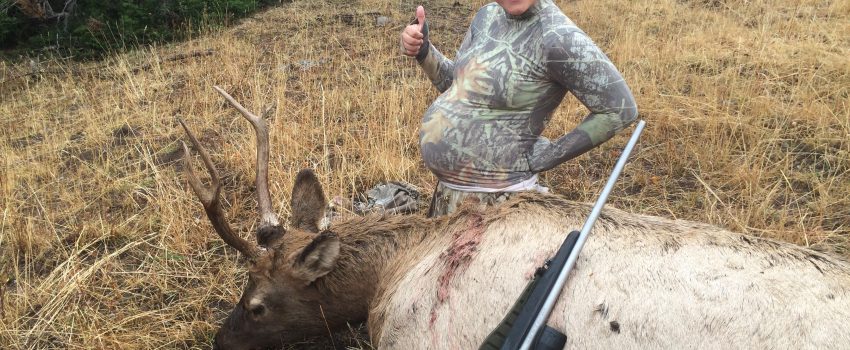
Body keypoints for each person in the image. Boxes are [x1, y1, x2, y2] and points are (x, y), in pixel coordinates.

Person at [400, 0, 638, 217]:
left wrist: (547, 156)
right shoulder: (487, 16)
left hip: (497, 207)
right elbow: (459, 88)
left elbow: (620, 109)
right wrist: (424, 51)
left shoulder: (560, 37)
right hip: (448, 197)